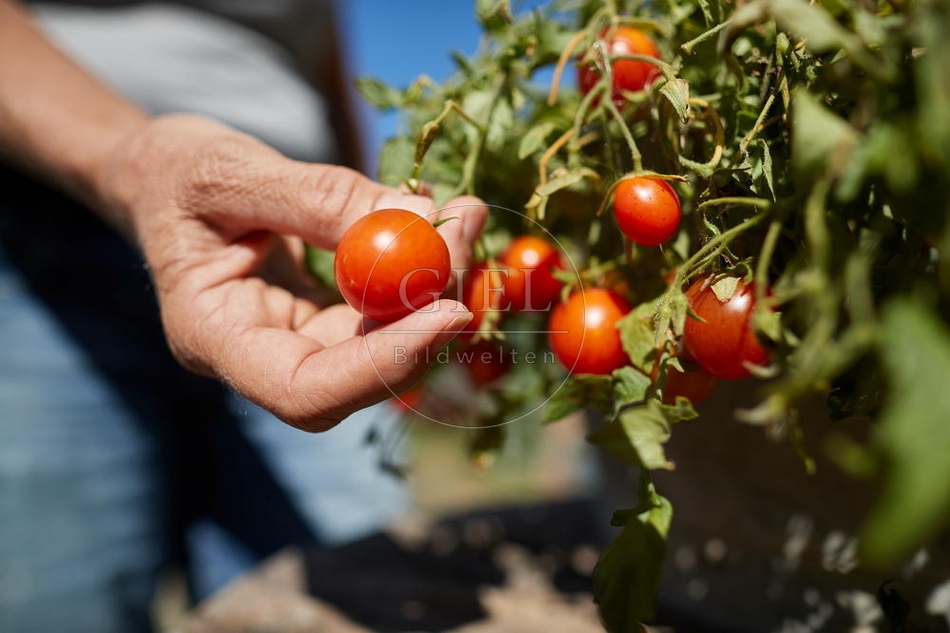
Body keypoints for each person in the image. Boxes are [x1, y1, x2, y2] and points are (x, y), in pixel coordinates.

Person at [0, 1, 487, 632]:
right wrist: (127, 155)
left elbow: (324, 66)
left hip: (290, 274)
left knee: (363, 591)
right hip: (46, 232)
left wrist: (362, 201)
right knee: (64, 604)